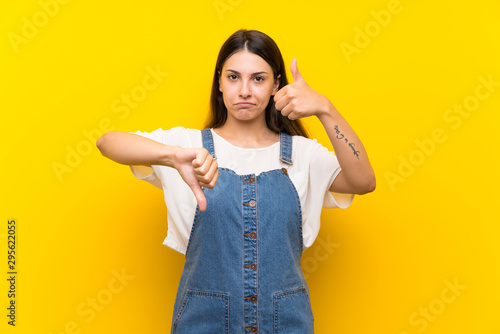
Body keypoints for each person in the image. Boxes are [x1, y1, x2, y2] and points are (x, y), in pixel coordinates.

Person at [96, 29, 375, 334]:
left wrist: (325, 108)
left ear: (276, 85)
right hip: (202, 324)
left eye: (258, 78)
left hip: (286, 325)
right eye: (233, 77)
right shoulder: (188, 146)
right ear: (219, 82)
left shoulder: (302, 154)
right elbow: (108, 142)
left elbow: (363, 181)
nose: (244, 90)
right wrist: (171, 156)